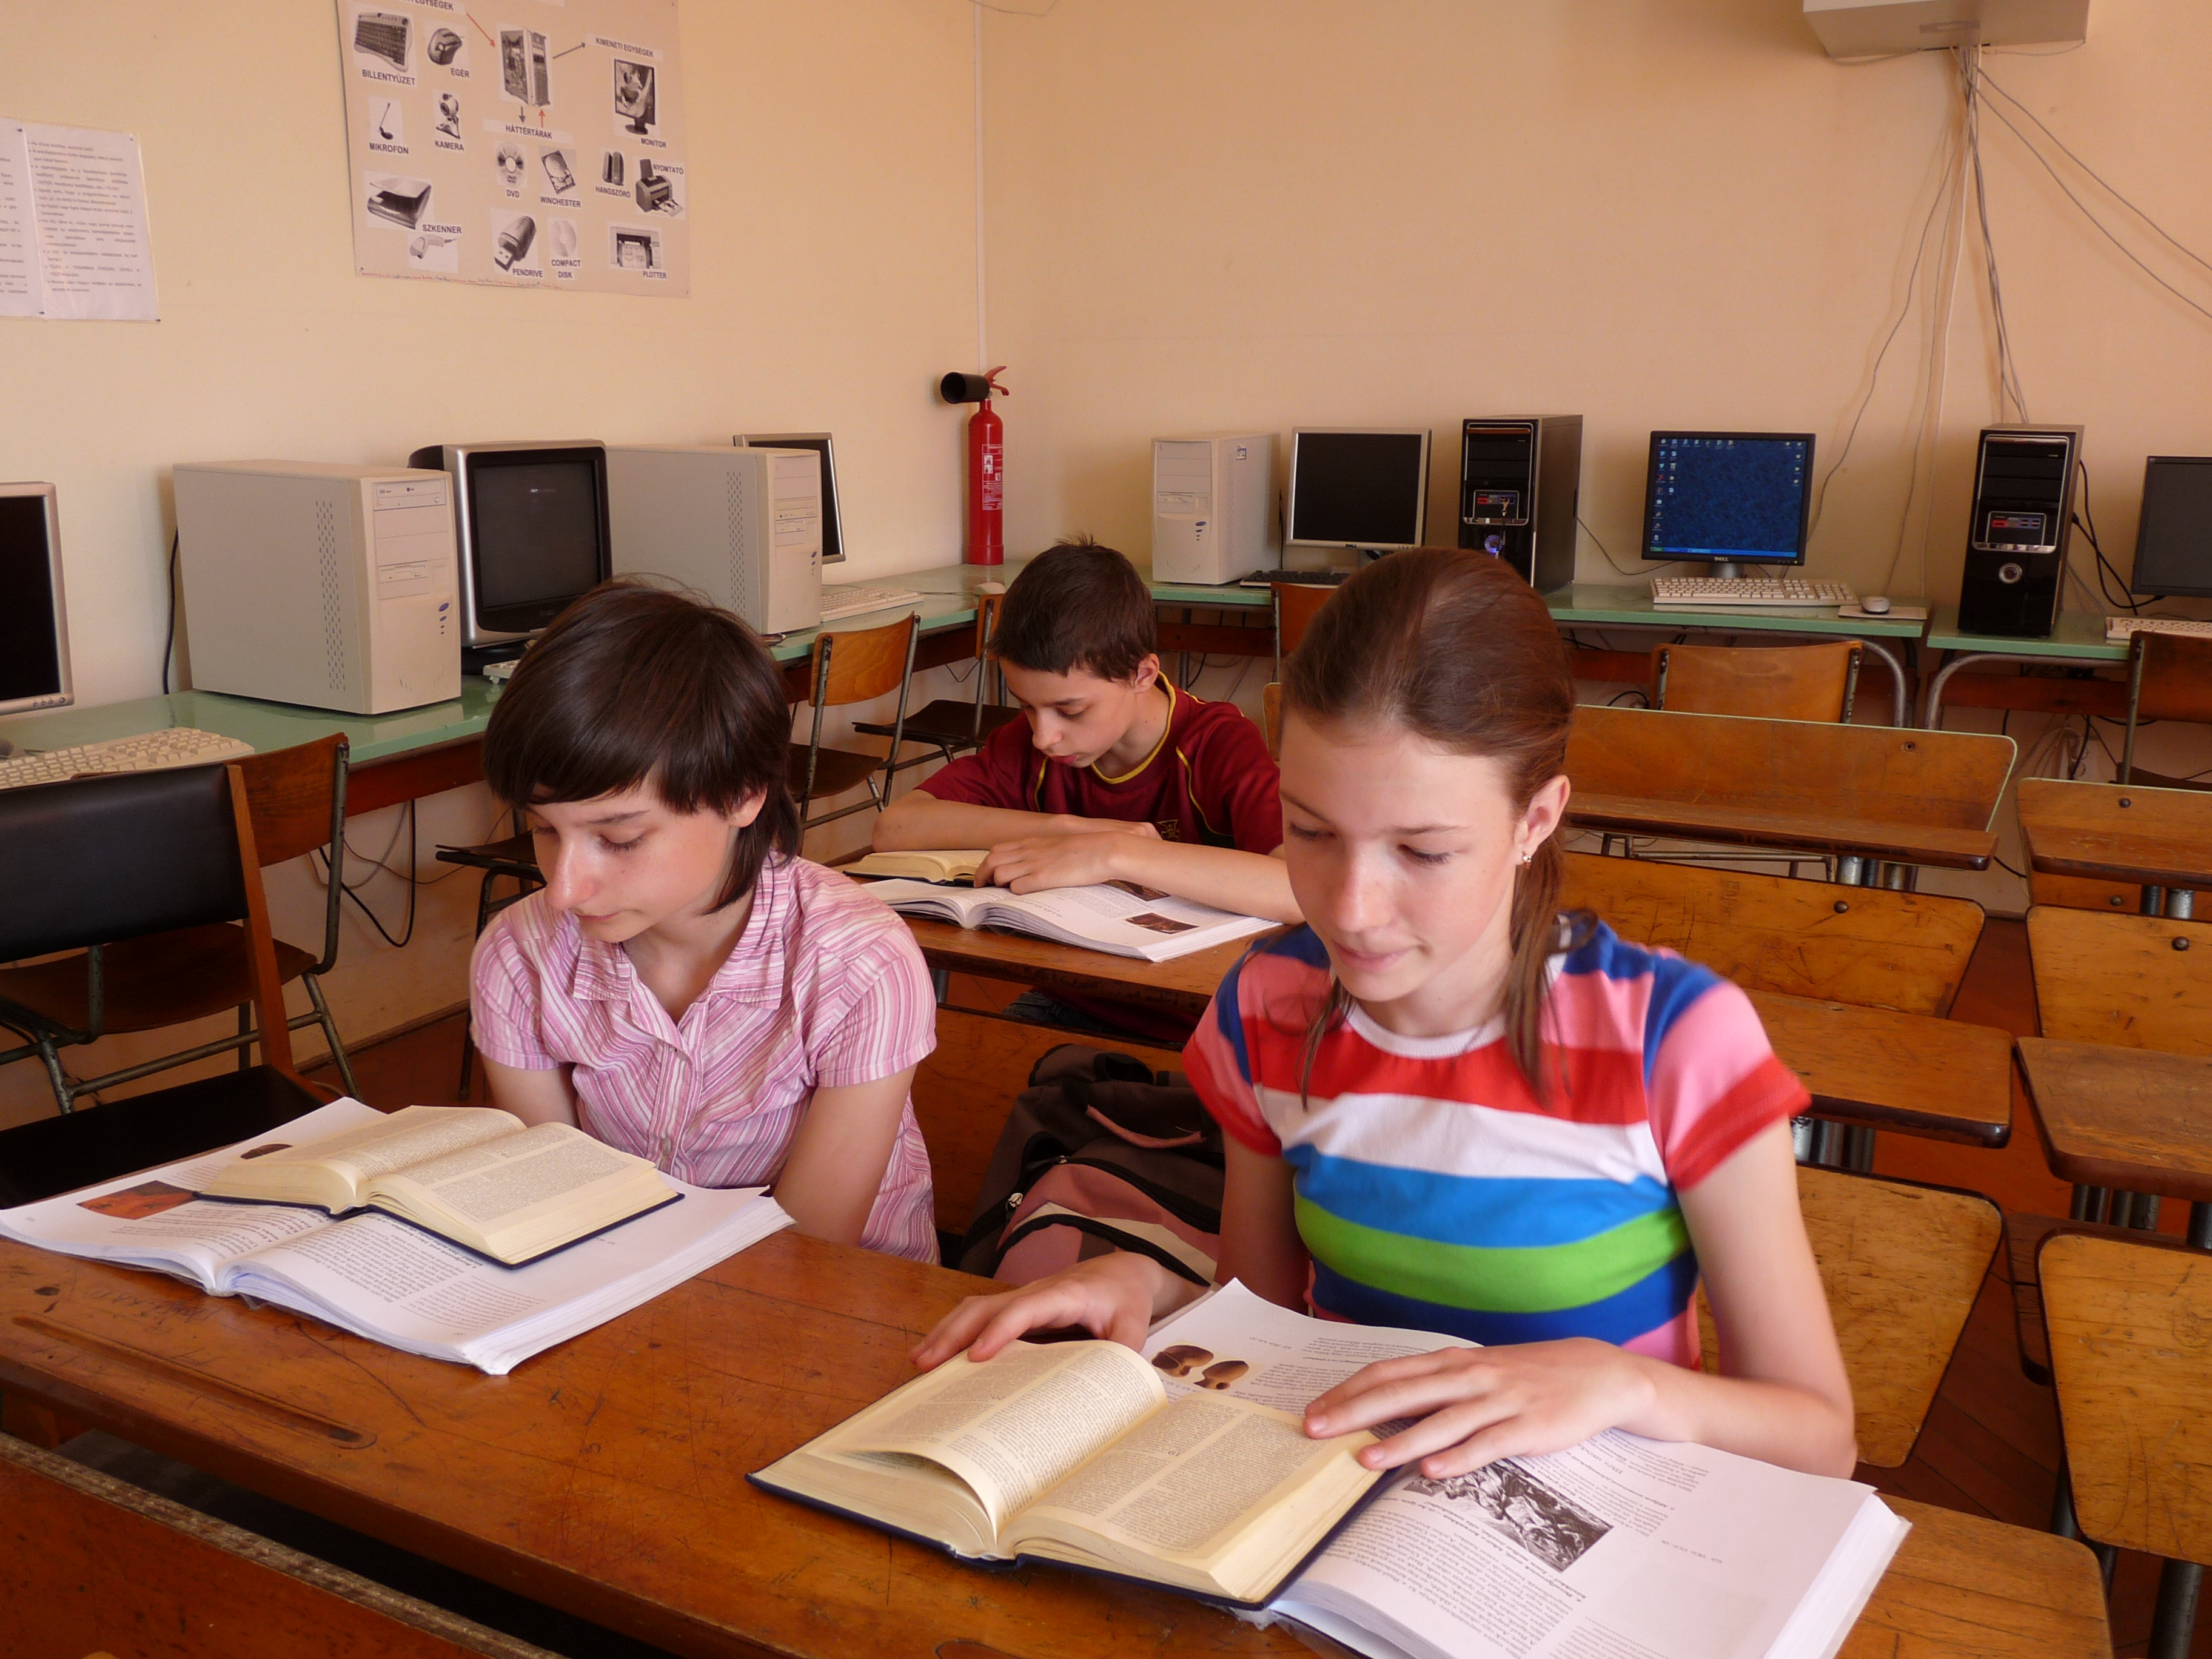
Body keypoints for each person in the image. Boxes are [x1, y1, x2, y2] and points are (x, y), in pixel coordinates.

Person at [914, 549, 1857, 1480]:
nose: (1351, 909)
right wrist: (1154, 1283)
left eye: (1424, 851)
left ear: (1534, 821)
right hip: (1344, 1498)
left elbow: (1818, 1437)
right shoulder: (1269, 1007)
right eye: (1311, 831)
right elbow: (1263, 1318)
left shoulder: (1674, 1039)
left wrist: (1625, 1385)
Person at [469, 581, 940, 1262]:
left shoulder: (859, 962)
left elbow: (812, 1254)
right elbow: (559, 1202)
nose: (564, 889)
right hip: (624, 1283)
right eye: (543, 830)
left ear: (743, 793)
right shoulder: (519, 953)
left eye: (620, 838)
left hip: (837, 1299)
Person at [871, 537, 1295, 1039]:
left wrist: (1115, 853)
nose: (1043, 736)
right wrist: (1069, 831)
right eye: (1027, 706)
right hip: (1074, 1000)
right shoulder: (1032, 747)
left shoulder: (1217, 743)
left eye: (1070, 710)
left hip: (1201, 1021)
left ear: (1142, 675)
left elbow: (1299, 888)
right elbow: (895, 827)